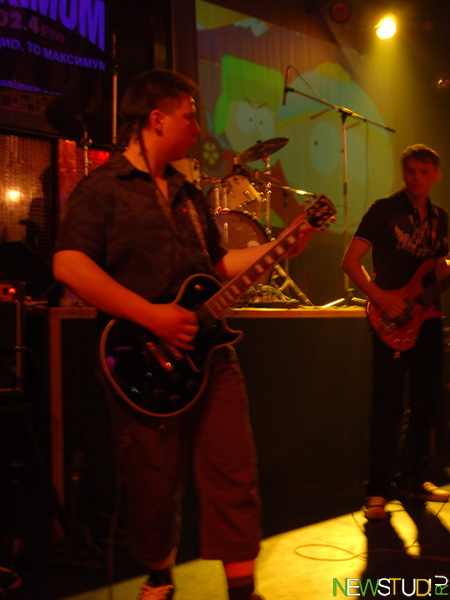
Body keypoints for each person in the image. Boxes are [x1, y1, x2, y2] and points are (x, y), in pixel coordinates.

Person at [52, 68, 318, 600]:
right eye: (189, 116)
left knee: (233, 471)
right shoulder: (101, 189)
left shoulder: (188, 194)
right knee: (152, 481)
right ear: (156, 119)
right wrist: (151, 317)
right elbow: (69, 265)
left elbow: (217, 267)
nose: (198, 128)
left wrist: (278, 247)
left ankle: (243, 591)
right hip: (140, 359)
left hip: (210, 356)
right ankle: (159, 581)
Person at [342, 143, 450, 520]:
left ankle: (413, 479)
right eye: (411, 171)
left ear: (435, 175)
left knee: (426, 404)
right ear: (403, 173)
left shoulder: (440, 218)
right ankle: (377, 489)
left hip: (429, 317)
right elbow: (350, 262)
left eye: (424, 171)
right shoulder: (383, 210)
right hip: (390, 316)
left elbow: (438, 268)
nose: (416, 178)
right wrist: (382, 298)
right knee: (388, 405)